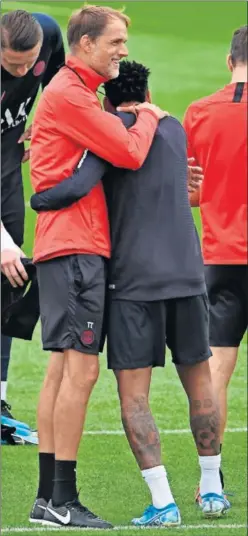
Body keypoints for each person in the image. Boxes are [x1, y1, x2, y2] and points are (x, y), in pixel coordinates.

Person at [31, 60, 230, 526]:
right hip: (186, 274)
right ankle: (213, 489)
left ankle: (164, 503)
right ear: (147, 91)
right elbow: (178, 190)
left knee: (134, 396)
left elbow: (84, 183)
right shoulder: (174, 128)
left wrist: (40, 197)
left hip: (132, 280)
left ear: (104, 100)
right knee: (200, 382)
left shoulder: (110, 135)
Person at [29, 6, 167, 529]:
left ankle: (50, 499)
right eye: (116, 41)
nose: (123, 49)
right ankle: (60, 498)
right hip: (76, 248)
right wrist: (149, 115)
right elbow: (129, 153)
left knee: (63, 371)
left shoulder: (74, 93)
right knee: (80, 371)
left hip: (66, 246)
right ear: (85, 44)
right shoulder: (70, 95)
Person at [183, 25, 247, 500]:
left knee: (215, 373)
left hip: (221, 257)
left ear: (230, 60)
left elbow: (192, 190)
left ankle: (210, 487)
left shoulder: (199, 112)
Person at [1, 9, 65, 429]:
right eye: (12, 65)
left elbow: (62, 86)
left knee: (7, 284)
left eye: (30, 63)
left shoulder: (48, 33)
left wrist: (38, 122)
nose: (24, 71)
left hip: (7, 172)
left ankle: (0, 404)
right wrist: (1, 241)